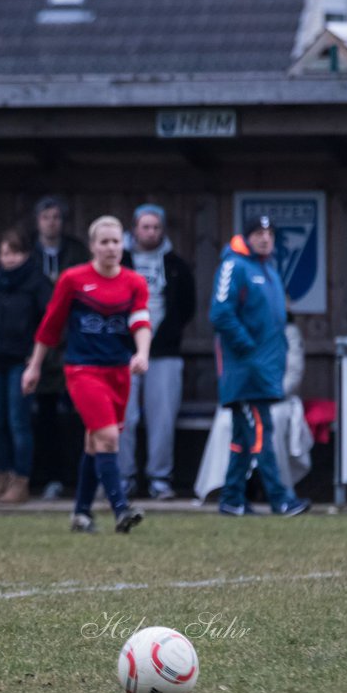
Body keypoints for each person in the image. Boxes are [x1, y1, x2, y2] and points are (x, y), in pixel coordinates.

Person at [21, 215, 150, 533]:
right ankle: (120, 508)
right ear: (92, 246)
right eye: (104, 242)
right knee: (108, 436)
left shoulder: (135, 282)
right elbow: (51, 325)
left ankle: (81, 513)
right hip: (83, 371)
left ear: (123, 245)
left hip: (119, 372)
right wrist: (34, 366)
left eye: (116, 242)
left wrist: (142, 353)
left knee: (95, 442)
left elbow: (140, 322)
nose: (110, 248)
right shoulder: (74, 279)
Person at [208, 215, 311, 518]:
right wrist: (248, 351)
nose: (265, 238)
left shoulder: (268, 270)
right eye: (258, 233)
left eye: (269, 233)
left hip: (265, 371)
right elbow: (221, 314)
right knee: (262, 433)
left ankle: (231, 499)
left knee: (243, 438)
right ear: (247, 236)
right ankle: (281, 499)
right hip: (245, 372)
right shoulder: (234, 266)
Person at [117, 204, 196, 500]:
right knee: (124, 417)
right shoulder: (119, 261)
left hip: (164, 351)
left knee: (162, 418)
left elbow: (186, 307)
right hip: (123, 351)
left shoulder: (176, 266)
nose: (150, 232)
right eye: (145, 227)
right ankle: (123, 477)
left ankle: (160, 478)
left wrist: (164, 335)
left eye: (156, 227)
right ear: (134, 228)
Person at [193, 312, 313, 501]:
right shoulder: (237, 330)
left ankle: (275, 490)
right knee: (226, 422)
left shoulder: (288, 332)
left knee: (269, 424)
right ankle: (230, 489)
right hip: (244, 397)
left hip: (277, 400)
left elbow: (293, 374)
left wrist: (268, 394)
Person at [0, 228, 50, 504]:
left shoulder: (38, 283)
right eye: (4, 253)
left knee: (18, 423)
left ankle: (21, 481)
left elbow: (50, 322)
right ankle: (2, 477)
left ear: (26, 254)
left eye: (15, 252)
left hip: (22, 362)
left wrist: (36, 356)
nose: (8, 259)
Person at [30, 196, 90, 501]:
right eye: (46, 217)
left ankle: (80, 477)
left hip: (74, 344)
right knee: (46, 418)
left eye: (56, 217)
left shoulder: (77, 251)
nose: (51, 222)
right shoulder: (30, 254)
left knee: (80, 416)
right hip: (41, 348)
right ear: (38, 221)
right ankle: (50, 477)